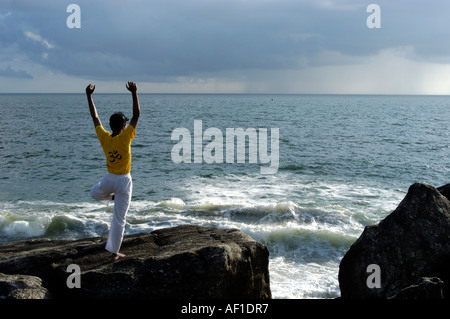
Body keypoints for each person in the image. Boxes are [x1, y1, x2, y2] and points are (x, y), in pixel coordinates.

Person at [86, 81, 141, 261]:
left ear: (111, 126)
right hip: (124, 181)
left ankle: (110, 198)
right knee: (119, 219)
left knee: (94, 193)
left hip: (110, 179)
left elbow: (95, 118)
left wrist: (89, 96)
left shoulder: (104, 137)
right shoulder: (126, 138)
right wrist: (134, 92)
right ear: (123, 127)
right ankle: (114, 252)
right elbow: (136, 115)